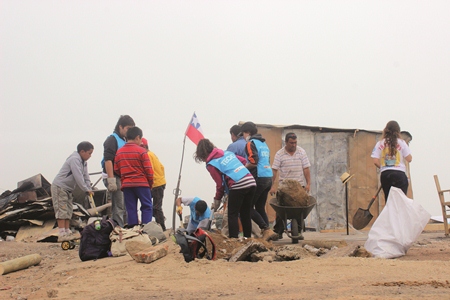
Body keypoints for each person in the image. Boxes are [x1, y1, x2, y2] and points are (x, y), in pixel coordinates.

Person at [194, 139, 256, 239]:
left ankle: (234, 239)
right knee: (245, 212)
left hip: (238, 184)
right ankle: (247, 238)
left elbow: (220, 184)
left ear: (202, 155)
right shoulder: (227, 153)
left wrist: (217, 199)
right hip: (250, 181)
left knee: (232, 214)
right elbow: (244, 161)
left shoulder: (211, 164)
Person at [241, 122, 278, 241]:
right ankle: (269, 233)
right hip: (268, 177)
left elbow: (253, 162)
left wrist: (242, 168)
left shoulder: (250, 143)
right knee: (260, 207)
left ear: (247, 133)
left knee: (247, 207)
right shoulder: (264, 143)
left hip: (259, 177)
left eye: (243, 134)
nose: (243, 136)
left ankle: (265, 228)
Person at [270, 132, 311, 239]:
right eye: (291, 143)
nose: (294, 145)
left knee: (300, 209)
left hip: (298, 187)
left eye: (295, 143)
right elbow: (274, 170)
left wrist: (308, 184)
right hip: (284, 188)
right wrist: (272, 186)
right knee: (281, 210)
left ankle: (298, 230)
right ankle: (278, 231)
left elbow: (306, 169)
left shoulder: (301, 152)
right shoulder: (280, 154)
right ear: (286, 142)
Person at [52, 142, 94, 242]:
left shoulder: (83, 162)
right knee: (62, 208)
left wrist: (89, 188)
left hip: (69, 188)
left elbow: (86, 176)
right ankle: (62, 233)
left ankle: (67, 231)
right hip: (60, 186)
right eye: (89, 153)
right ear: (82, 151)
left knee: (68, 210)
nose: (90, 156)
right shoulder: (74, 159)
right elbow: (78, 175)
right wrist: (85, 188)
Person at [114, 126, 154, 226]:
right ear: (137, 137)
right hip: (142, 184)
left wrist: (125, 177)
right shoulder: (141, 151)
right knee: (147, 206)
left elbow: (116, 169)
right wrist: (150, 183)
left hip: (127, 185)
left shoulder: (119, 152)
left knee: (131, 208)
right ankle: (146, 228)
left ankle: (133, 229)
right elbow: (149, 170)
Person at [102, 115, 135, 227]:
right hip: (114, 176)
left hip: (123, 178)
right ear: (120, 127)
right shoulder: (112, 139)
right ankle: (118, 229)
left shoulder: (124, 141)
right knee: (119, 206)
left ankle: (125, 227)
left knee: (125, 206)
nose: (129, 131)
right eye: (127, 128)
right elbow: (108, 160)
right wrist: (111, 180)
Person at [371, 120, 412, 201]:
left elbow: (375, 161)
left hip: (386, 174)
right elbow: (409, 159)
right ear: (398, 131)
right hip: (399, 174)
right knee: (401, 201)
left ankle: (390, 213)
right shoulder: (401, 142)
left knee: (389, 201)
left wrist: (383, 167)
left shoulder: (380, 143)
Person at [140, 138, 167, 231]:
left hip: (155, 184)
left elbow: (149, 170)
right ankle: (160, 223)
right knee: (155, 206)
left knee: (155, 207)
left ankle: (161, 227)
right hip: (160, 182)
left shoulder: (147, 155)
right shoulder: (152, 154)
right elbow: (162, 167)